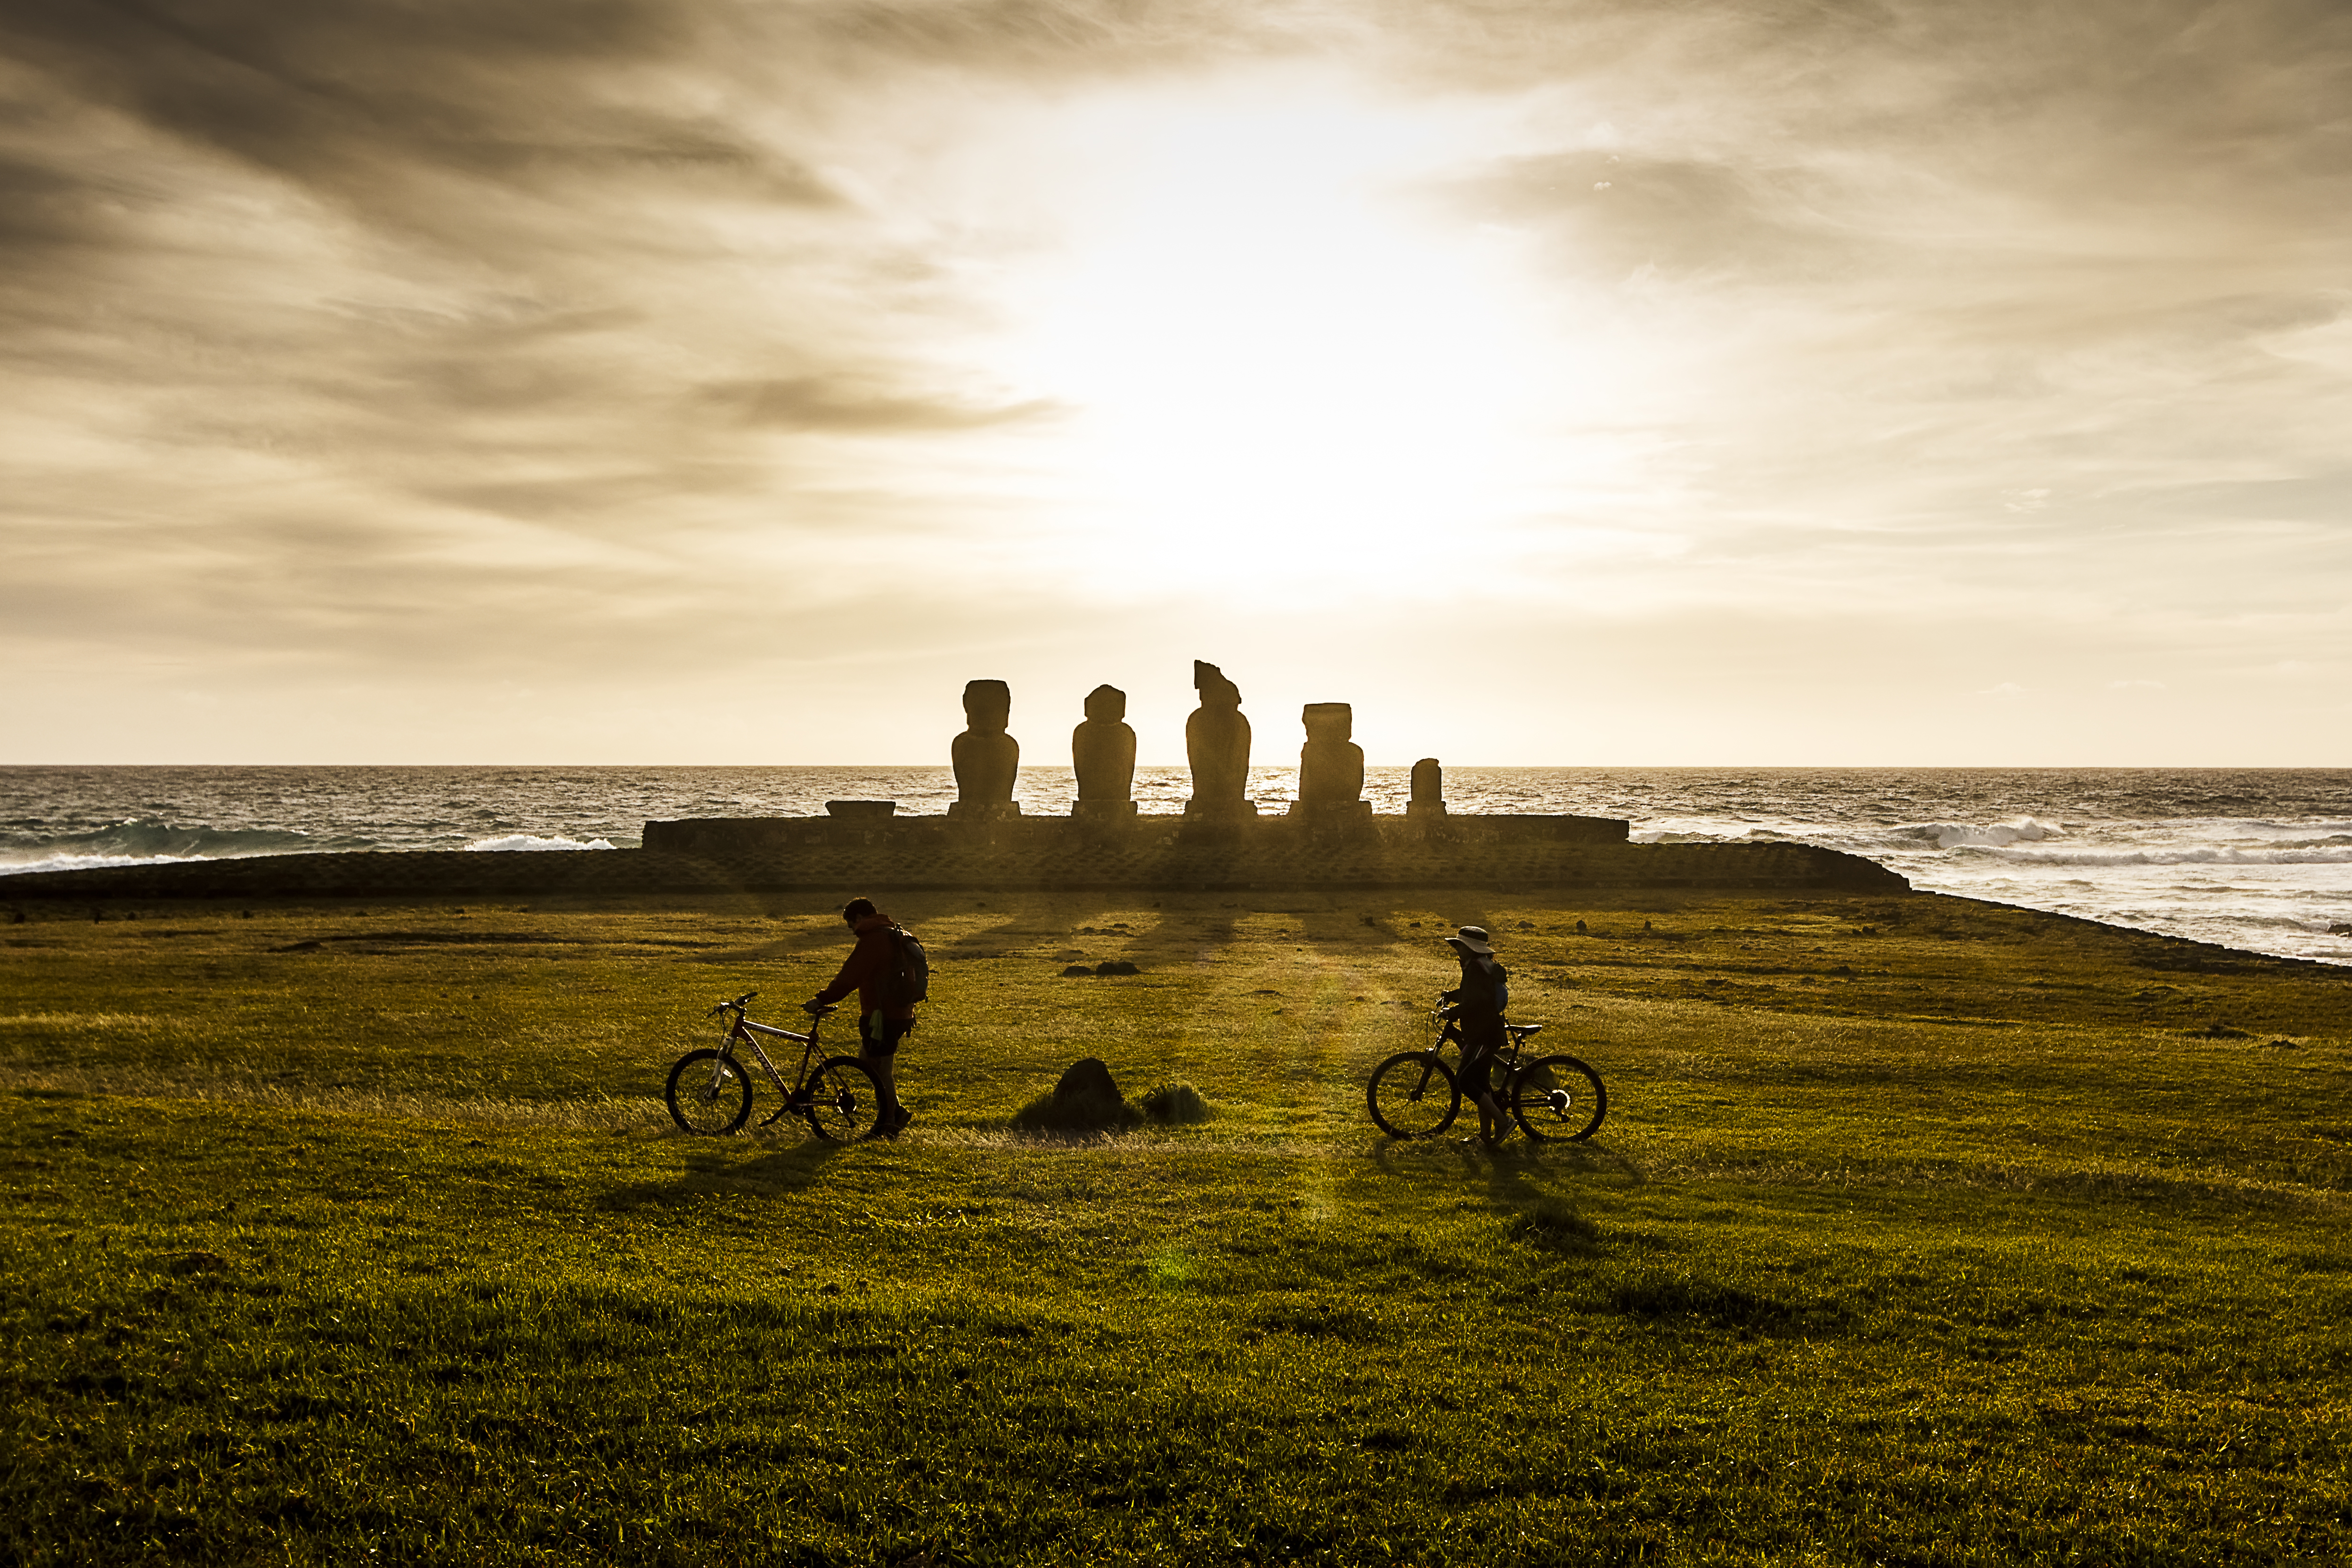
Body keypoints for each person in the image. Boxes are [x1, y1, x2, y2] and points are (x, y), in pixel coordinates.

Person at [806, 896, 917, 1137]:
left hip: (882, 1016)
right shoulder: (893, 932)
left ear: (858, 918)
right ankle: (895, 1113)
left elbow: (850, 976)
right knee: (868, 1062)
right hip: (901, 1012)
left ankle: (889, 1123)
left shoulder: (874, 940)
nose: (852, 931)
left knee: (881, 1070)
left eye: (851, 925)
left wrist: (822, 999)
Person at [1445, 925, 1509, 1144]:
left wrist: (1453, 1012)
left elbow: (1474, 1002)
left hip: (1483, 1034)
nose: (1457, 950)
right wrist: (1451, 996)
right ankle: (1485, 1137)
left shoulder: (1475, 969)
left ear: (1470, 948)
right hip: (1486, 1031)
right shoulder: (1481, 966)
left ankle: (1503, 1122)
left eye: (1460, 946)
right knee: (1481, 1084)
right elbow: (1472, 994)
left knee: (1463, 1081)